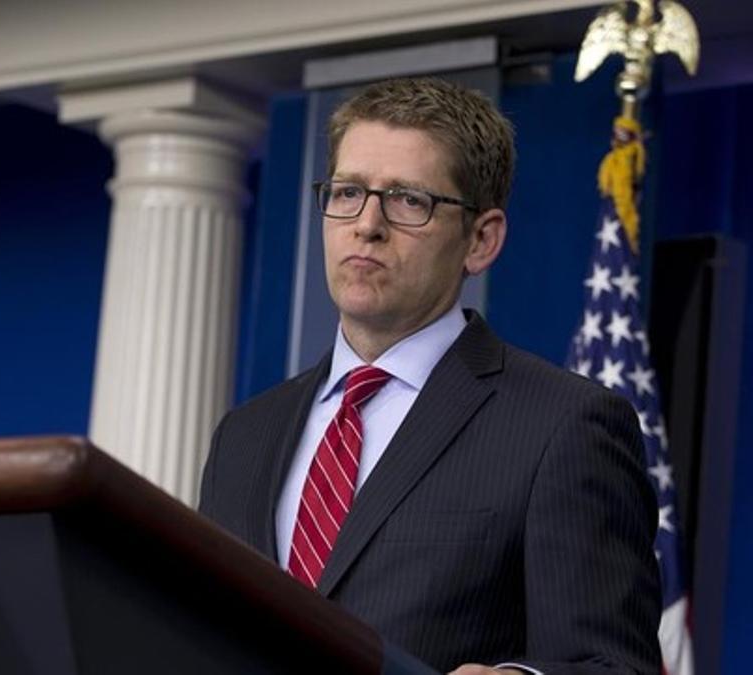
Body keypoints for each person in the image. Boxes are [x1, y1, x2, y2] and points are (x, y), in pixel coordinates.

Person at [198, 78, 660, 674]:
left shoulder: (564, 426)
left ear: (481, 240)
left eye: (409, 200)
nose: (366, 224)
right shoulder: (244, 435)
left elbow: (614, 666)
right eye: (347, 192)